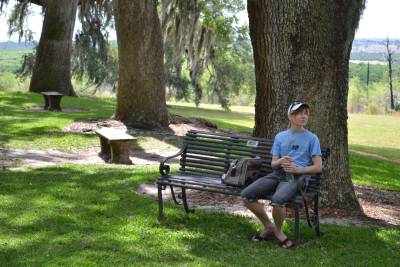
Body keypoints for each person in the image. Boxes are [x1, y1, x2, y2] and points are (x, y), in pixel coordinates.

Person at [240, 101, 322, 248]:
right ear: (290, 116)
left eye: (305, 113)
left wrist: (298, 170)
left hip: (297, 177)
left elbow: (318, 167)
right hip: (277, 174)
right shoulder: (280, 136)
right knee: (246, 195)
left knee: (278, 200)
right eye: (299, 113)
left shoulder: (312, 138)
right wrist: (281, 161)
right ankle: (269, 226)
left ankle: (279, 232)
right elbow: (273, 164)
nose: (303, 116)